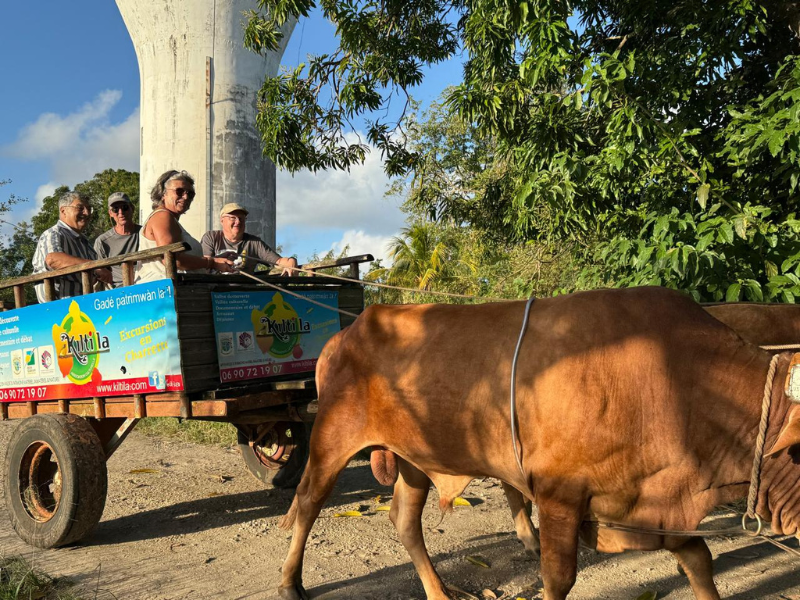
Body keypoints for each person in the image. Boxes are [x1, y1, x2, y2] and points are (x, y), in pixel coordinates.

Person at [136, 170, 234, 282]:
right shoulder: (162, 216)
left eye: (190, 194)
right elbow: (173, 260)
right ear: (163, 194)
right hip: (162, 291)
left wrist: (216, 260)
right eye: (179, 191)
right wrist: (211, 263)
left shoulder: (170, 219)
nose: (186, 197)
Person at [32, 191, 113, 303]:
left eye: (89, 209)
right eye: (80, 208)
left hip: (85, 305)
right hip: (59, 308)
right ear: (63, 211)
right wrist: (94, 266)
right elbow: (53, 259)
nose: (86, 213)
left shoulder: (85, 243)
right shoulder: (54, 234)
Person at [200, 203, 298, 275]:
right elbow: (203, 263)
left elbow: (279, 261)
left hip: (245, 297)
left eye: (241, 218)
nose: (238, 222)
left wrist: (291, 261)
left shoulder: (254, 243)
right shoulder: (211, 237)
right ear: (222, 220)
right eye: (233, 218)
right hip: (215, 294)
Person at [94, 192, 141, 287]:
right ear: (110, 213)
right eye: (115, 209)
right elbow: (99, 272)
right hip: (118, 291)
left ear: (132, 208)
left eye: (125, 207)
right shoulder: (103, 241)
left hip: (146, 286)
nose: (121, 212)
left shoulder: (145, 233)